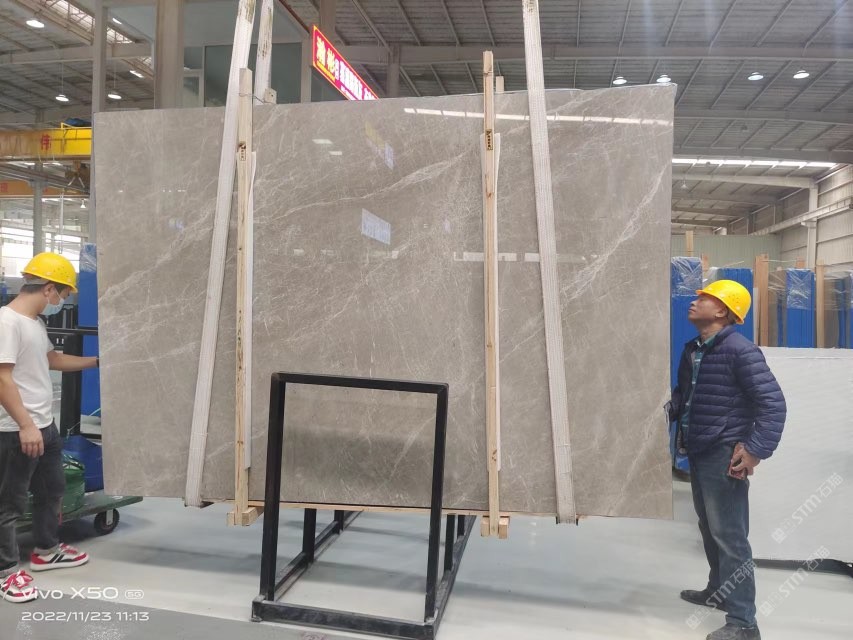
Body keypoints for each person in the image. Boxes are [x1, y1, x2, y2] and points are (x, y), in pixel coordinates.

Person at [669, 280, 786, 640]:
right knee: (709, 527)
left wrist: (755, 450)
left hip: (724, 453)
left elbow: (773, 405)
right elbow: (686, 396)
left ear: (722, 310)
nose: (695, 301)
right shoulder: (695, 349)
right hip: (700, 448)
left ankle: (744, 623)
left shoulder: (740, 351)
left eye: (704, 298)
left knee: (730, 536)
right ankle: (718, 590)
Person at [0, 253, 98, 604]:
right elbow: (2, 378)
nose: (62, 301)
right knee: (9, 503)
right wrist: (26, 425)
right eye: (64, 294)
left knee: (51, 490)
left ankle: (46, 549)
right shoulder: (7, 322)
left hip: (44, 425)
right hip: (15, 430)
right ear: (48, 288)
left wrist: (98, 362)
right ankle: (6, 571)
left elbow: (51, 360)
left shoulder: (34, 323)